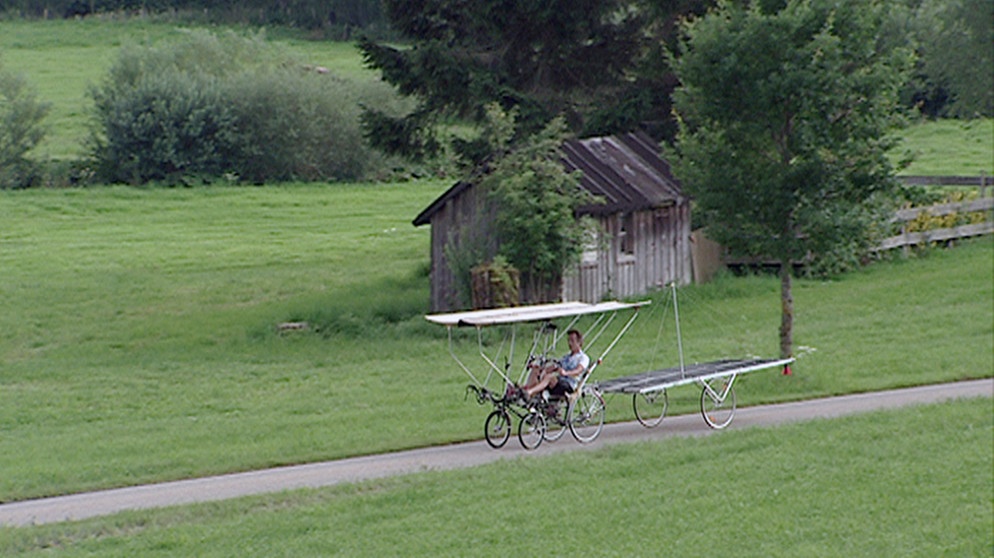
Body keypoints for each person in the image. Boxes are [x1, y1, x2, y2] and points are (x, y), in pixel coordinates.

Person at [520, 329, 589, 401]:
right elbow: (556, 366)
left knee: (549, 377)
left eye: (572, 341)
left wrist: (566, 373)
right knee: (536, 371)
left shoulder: (583, 358)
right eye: (568, 340)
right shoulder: (566, 357)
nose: (569, 343)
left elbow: (578, 370)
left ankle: (529, 392)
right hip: (559, 383)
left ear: (579, 342)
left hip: (569, 386)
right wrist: (540, 369)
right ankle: (526, 391)